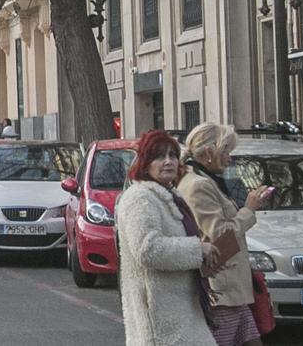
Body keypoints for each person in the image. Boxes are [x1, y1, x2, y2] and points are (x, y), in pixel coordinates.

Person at [115, 129, 218, 346]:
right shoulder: (140, 198)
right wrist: (197, 250)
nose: (168, 162)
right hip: (160, 318)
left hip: (180, 311)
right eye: (160, 156)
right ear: (145, 162)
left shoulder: (168, 194)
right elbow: (147, 249)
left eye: (172, 155)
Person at [178, 123, 269, 346]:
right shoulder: (199, 185)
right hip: (221, 291)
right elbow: (219, 234)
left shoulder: (207, 180)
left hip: (231, 291)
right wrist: (248, 209)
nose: (230, 159)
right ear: (210, 152)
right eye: (226, 152)